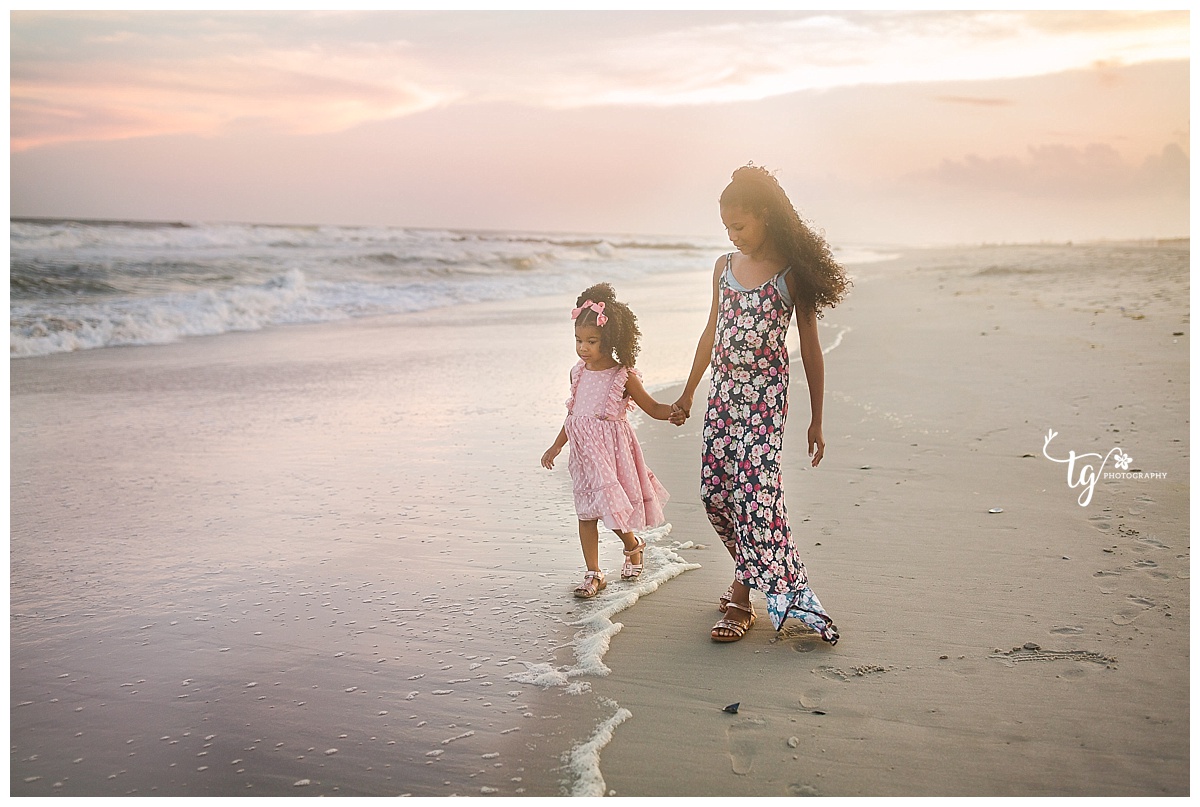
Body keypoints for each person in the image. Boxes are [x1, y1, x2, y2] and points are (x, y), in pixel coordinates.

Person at [673, 165, 850, 643]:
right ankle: (751, 570)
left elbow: (810, 348)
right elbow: (712, 332)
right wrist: (689, 391)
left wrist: (817, 419)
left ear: (766, 217)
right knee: (715, 497)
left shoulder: (792, 277)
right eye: (727, 228)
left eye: (740, 226)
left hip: (766, 403)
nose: (734, 235)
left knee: (754, 496)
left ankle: (741, 597)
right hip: (722, 400)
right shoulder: (723, 268)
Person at [542, 283, 683, 598]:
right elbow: (574, 417)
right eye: (578, 340)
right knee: (586, 512)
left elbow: (651, 407)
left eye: (591, 341)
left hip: (611, 454)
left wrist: (672, 411)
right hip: (583, 455)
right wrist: (556, 445)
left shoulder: (623, 375)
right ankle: (594, 573)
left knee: (610, 508)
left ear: (610, 339)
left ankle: (632, 545)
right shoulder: (578, 373)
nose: (583, 348)